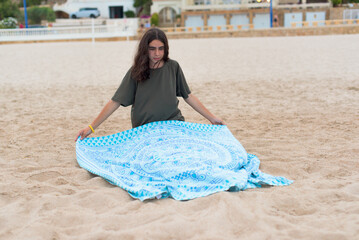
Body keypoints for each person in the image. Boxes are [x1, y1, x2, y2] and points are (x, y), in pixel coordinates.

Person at [76, 28, 224, 141]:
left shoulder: (173, 67)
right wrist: (91, 128)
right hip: (144, 130)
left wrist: (212, 118)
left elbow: (188, 96)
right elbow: (115, 102)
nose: (157, 53)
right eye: (152, 49)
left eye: (161, 48)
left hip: (173, 125)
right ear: (145, 49)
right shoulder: (136, 71)